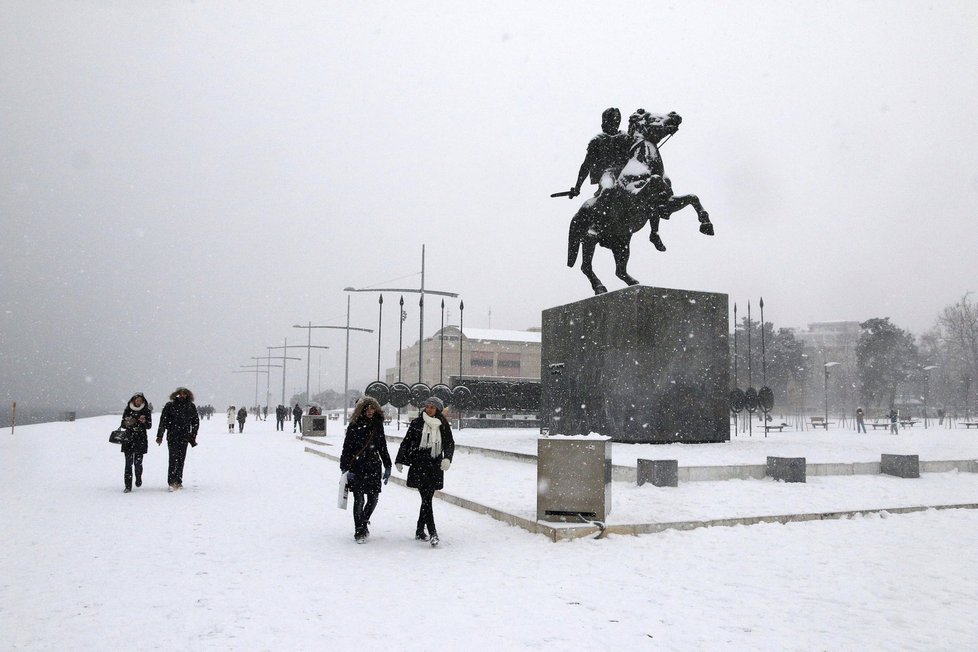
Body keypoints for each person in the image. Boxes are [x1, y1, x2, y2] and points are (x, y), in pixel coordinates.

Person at [395, 396, 455, 547]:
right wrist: (399, 459)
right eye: (427, 406)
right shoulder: (417, 423)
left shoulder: (443, 425)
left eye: (432, 407)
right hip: (419, 465)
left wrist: (447, 458)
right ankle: (433, 533)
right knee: (427, 499)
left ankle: (420, 529)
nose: (428, 409)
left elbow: (449, 443)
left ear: (438, 410)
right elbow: (407, 441)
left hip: (435, 465)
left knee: (426, 499)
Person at [340, 397, 392, 543]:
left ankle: (363, 522)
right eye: (367, 409)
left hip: (374, 466)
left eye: (372, 408)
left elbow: (382, 446)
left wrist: (388, 465)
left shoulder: (377, 425)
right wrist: (345, 468)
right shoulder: (354, 425)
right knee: (359, 499)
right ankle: (359, 530)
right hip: (357, 466)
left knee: (373, 499)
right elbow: (347, 448)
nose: (370, 411)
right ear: (362, 410)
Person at [568, 107, 633, 200]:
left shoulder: (600, 141)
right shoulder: (626, 139)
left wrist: (578, 187)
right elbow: (586, 166)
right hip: (620, 181)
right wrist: (577, 187)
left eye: (605, 121)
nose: (603, 124)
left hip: (618, 180)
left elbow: (586, 166)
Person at [156, 387, 199, 491]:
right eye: (180, 394)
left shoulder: (191, 406)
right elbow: (163, 421)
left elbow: (195, 421)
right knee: (172, 459)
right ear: (176, 395)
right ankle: (171, 481)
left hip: (184, 436)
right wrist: (160, 435)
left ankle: (179, 481)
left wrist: (193, 434)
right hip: (172, 435)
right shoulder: (170, 405)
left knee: (181, 459)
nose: (182, 396)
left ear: (188, 395)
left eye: (184, 394)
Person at [119, 392, 152, 493]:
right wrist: (127, 422)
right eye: (137, 400)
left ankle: (138, 477)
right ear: (133, 400)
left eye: (140, 400)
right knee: (128, 464)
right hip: (128, 439)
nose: (138, 402)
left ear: (143, 401)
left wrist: (144, 422)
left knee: (138, 463)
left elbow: (149, 426)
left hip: (140, 439)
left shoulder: (146, 411)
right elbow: (122, 425)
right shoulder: (128, 409)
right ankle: (128, 486)